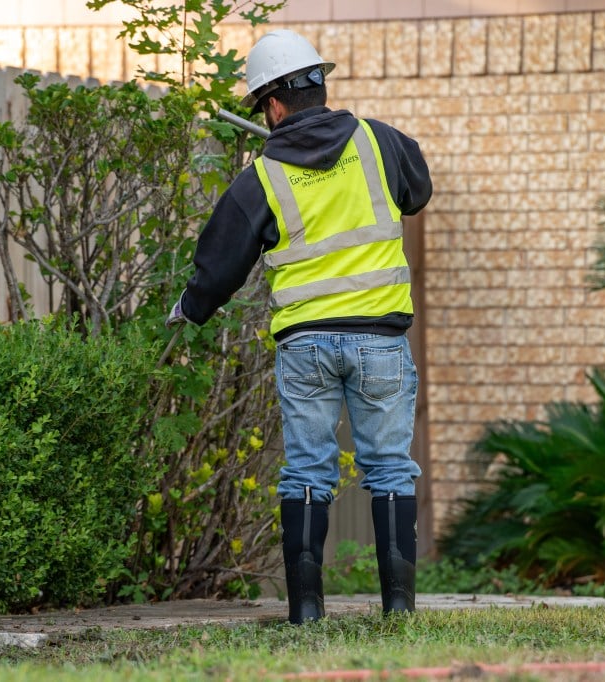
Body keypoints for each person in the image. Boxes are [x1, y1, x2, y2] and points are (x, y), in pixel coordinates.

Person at [166, 29, 432, 624]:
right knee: (389, 466)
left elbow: (221, 261)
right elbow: (418, 192)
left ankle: (307, 614)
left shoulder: (261, 177)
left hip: (306, 344)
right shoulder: (379, 142)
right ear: (320, 86)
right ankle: (399, 611)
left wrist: (191, 307)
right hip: (381, 339)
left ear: (274, 106)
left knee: (308, 470)